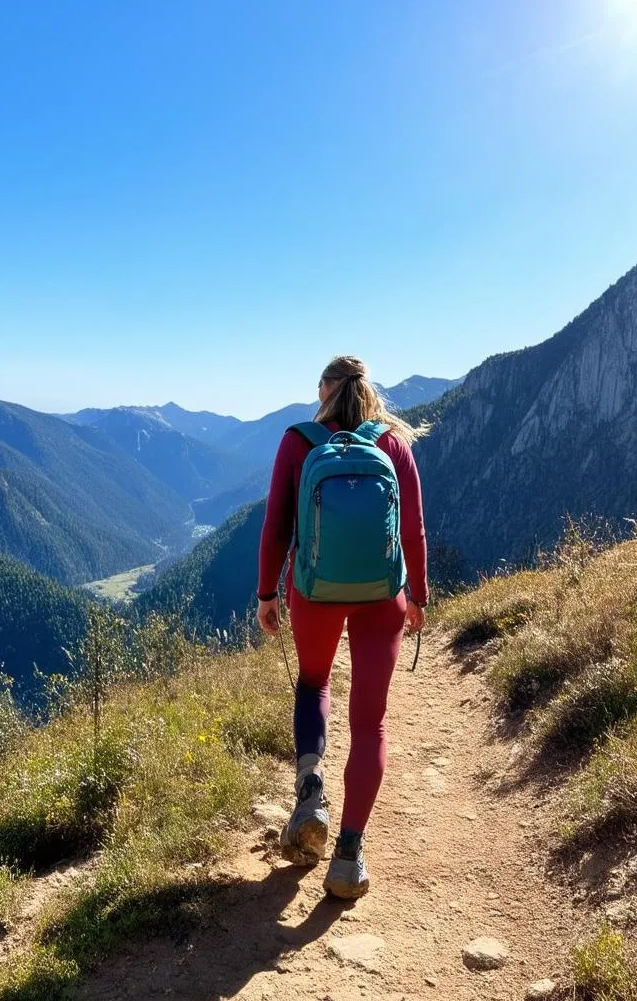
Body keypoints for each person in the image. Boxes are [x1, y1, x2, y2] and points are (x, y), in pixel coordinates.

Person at [257, 355, 429, 898]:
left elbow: (276, 525)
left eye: (318, 384)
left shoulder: (298, 442)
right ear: (367, 392)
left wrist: (267, 594)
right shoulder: (392, 445)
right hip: (383, 596)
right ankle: (349, 856)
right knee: (371, 722)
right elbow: (414, 530)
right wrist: (417, 598)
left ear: (328, 391)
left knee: (314, 682)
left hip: (314, 593)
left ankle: (311, 794)